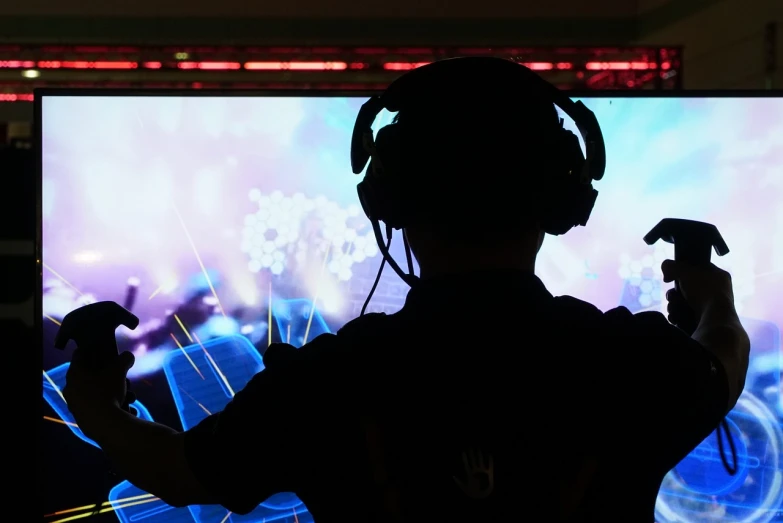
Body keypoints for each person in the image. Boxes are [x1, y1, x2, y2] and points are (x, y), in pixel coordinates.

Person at [64, 58, 750, 522]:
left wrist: (97, 404)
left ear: (387, 198)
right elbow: (721, 359)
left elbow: (182, 471)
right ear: (560, 197)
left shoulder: (327, 382)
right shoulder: (630, 363)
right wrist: (707, 292)